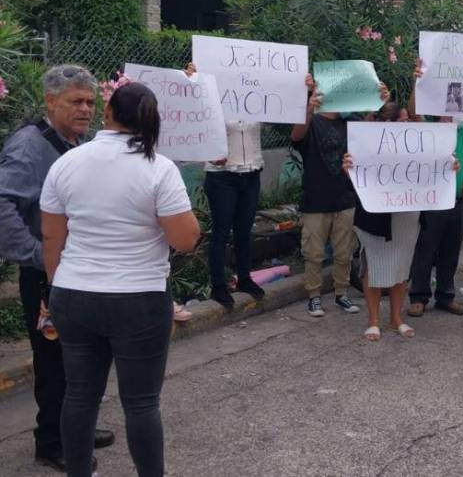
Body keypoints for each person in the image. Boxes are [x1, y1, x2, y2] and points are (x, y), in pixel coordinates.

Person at [40, 82, 200, 477]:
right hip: (138, 299)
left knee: (79, 396)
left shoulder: (66, 163)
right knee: (142, 404)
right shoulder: (159, 168)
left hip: (74, 295)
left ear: (107, 112)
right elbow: (184, 239)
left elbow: (51, 238)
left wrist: (55, 291)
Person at [0, 64, 115, 472]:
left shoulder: (76, 142)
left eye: (90, 101)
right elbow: (3, 203)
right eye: (76, 102)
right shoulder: (30, 146)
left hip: (78, 270)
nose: (86, 109)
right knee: (53, 361)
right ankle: (51, 441)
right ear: (51, 102)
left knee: (81, 356)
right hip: (47, 276)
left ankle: (75, 427)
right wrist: (36, 255)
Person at [344, 102, 458, 341]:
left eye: (408, 120)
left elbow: (438, 168)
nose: (407, 124)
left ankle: (396, 318)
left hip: (408, 215)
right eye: (402, 120)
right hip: (375, 218)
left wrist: (449, 167)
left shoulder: (420, 145)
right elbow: (356, 178)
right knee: (374, 267)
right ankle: (373, 321)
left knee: (402, 267)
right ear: (387, 124)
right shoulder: (367, 147)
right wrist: (349, 169)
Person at [290, 75, 389, 317]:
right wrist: (309, 107)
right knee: (313, 253)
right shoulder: (311, 122)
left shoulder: (351, 123)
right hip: (315, 200)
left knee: (344, 252)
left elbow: (370, 133)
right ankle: (314, 296)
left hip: (345, 198)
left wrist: (380, 100)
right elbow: (296, 136)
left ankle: (341, 294)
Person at [408, 59, 463, 318]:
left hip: (458, 201)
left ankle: (446, 295)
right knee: (426, 249)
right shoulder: (428, 129)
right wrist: (417, 81)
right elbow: (413, 113)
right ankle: (419, 296)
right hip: (433, 201)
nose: (449, 111)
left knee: (451, 251)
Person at [187, 62, 265, 310]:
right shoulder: (211, 99)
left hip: (251, 172)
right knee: (221, 231)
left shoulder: (257, 99)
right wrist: (192, 82)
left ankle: (244, 278)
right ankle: (218, 285)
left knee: (244, 230)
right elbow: (194, 127)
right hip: (222, 176)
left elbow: (282, 108)